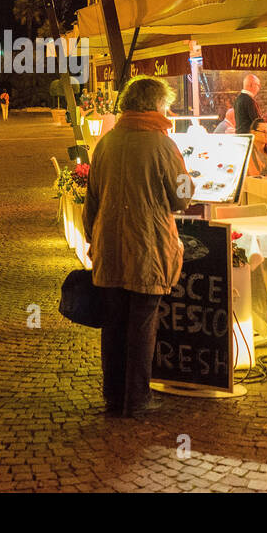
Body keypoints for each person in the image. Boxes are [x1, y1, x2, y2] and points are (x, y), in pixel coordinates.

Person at [83, 76, 192, 419]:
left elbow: (92, 200)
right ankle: (137, 398)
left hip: (109, 248)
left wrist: (93, 240)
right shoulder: (163, 146)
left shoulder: (107, 143)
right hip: (148, 247)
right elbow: (182, 198)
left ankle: (113, 397)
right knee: (143, 323)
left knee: (113, 323)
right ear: (154, 105)